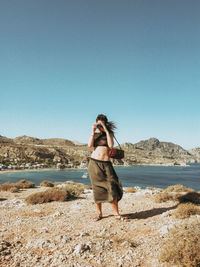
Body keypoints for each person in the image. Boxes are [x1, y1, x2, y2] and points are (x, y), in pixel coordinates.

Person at [87, 114, 124, 221]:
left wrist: (106, 130)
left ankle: (116, 214)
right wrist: (93, 131)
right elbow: (89, 145)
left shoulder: (109, 133)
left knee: (112, 187)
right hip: (94, 163)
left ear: (105, 123)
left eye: (101, 123)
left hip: (106, 164)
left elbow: (111, 145)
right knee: (97, 189)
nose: (99, 125)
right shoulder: (95, 134)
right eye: (98, 123)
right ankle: (99, 214)